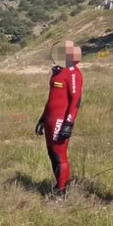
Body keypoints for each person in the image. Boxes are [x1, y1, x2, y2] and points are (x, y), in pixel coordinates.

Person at [36, 40, 84, 197]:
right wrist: (42, 119)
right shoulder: (57, 72)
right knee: (51, 153)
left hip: (61, 119)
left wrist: (68, 123)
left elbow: (76, 100)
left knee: (59, 154)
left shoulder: (73, 73)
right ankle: (58, 184)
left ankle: (62, 191)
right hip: (50, 117)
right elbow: (51, 98)